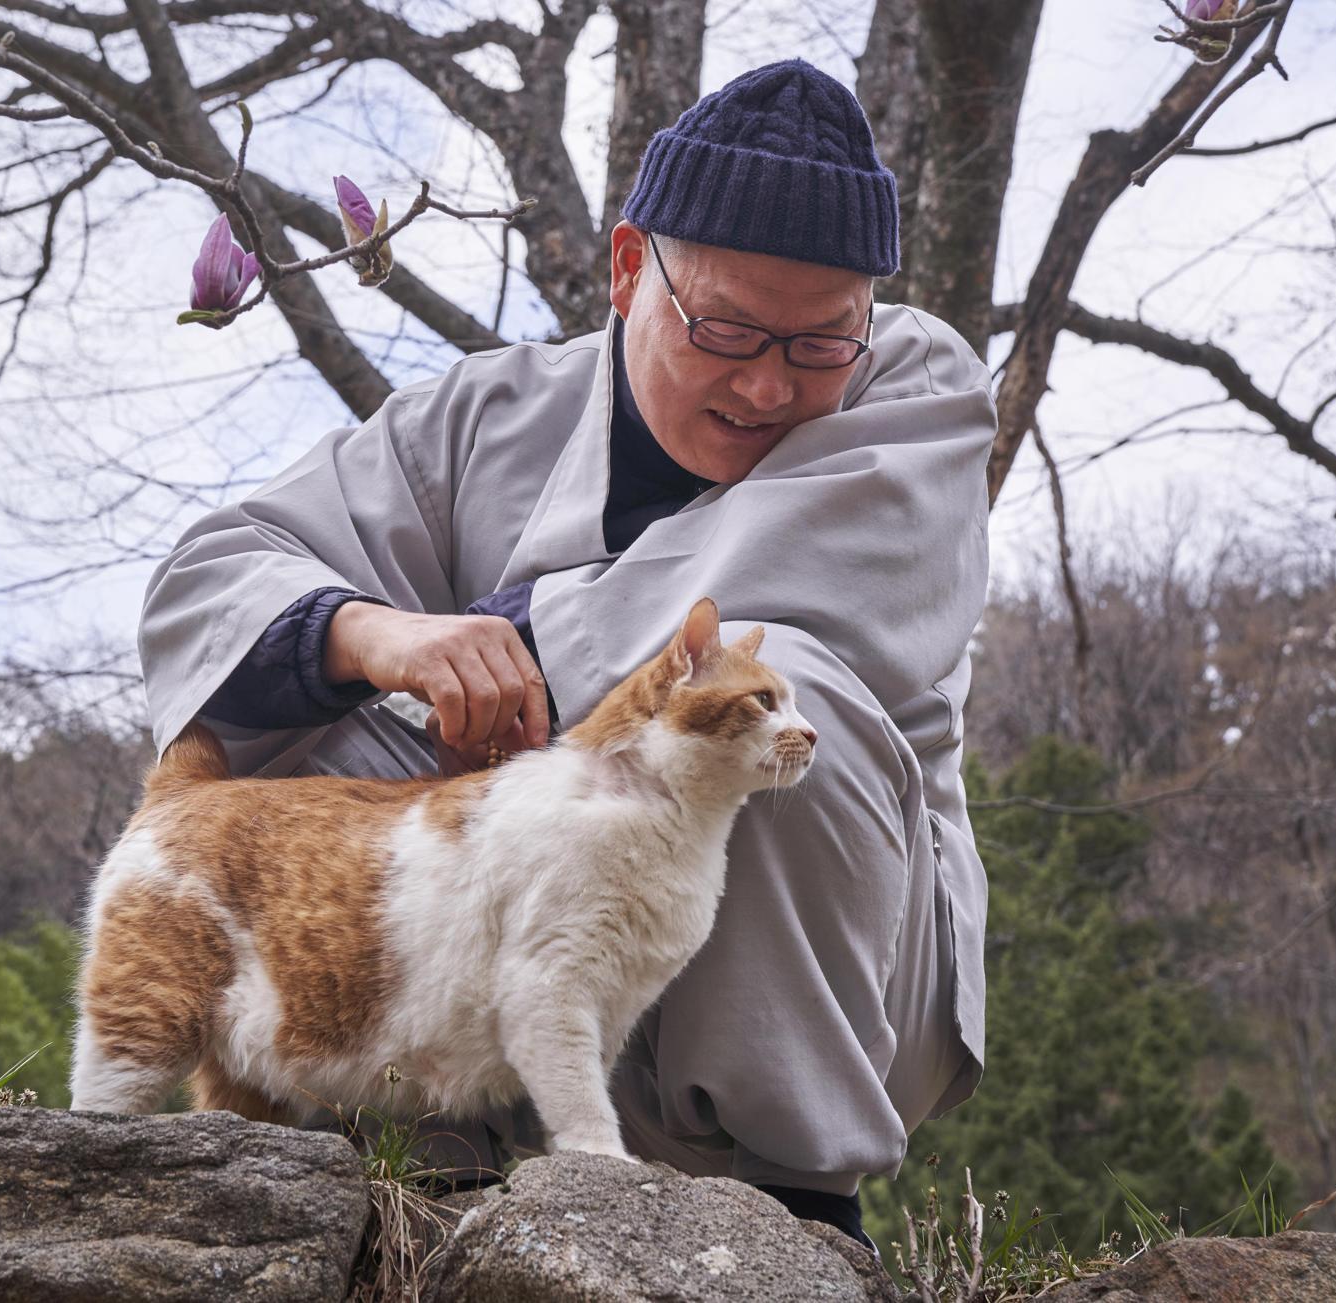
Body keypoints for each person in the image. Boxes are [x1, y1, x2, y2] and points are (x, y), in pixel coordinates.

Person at [139, 59, 994, 1247]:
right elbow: (209, 581)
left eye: (815, 345)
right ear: (629, 265)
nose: (765, 384)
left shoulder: (917, 378)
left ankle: (797, 1212)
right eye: (726, 330)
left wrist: (521, 646)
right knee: (334, 721)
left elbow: (838, 587)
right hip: (499, 997)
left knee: (777, 696)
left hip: (821, 982)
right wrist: (381, 636)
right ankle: (418, 1173)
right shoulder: (486, 414)